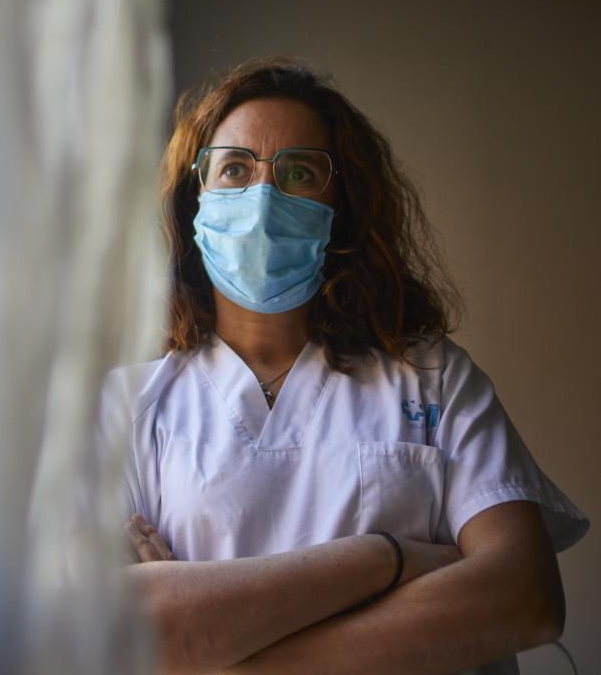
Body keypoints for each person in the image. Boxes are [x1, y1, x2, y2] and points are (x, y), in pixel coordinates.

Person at [99, 58, 590, 674]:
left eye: (299, 171)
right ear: (193, 202)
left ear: (342, 210)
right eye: (234, 169)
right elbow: (113, 629)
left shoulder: (435, 379)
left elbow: (525, 597)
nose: (263, 196)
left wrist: (214, 647)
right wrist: (391, 559)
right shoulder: (127, 408)